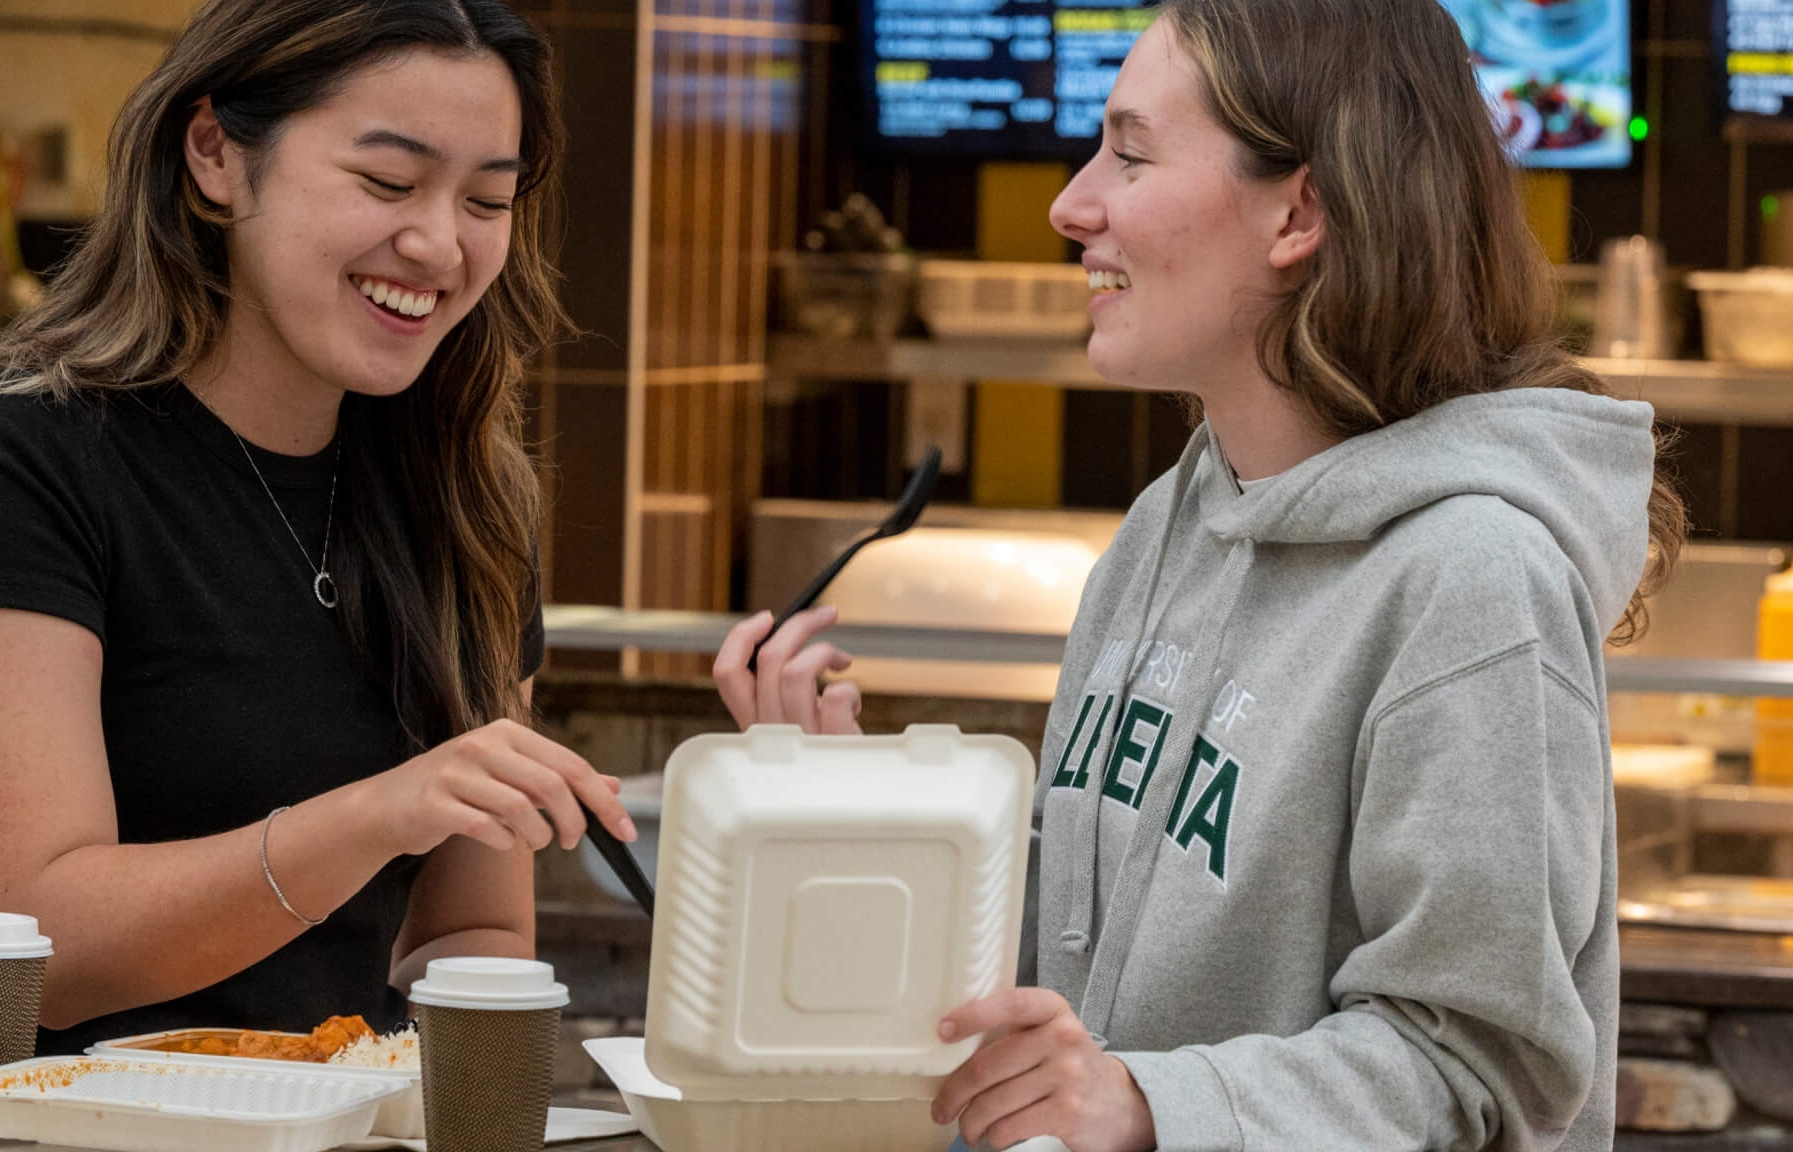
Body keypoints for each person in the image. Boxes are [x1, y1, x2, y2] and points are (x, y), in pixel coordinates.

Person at [715, 0, 1686, 1145]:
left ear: (1300, 212)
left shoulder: (1472, 579)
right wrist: (878, 830)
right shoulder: (1165, 521)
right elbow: (1084, 969)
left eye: (1128, 154)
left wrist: (1146, 1104)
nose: (1071, 205)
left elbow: (1481, 1070)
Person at [0, 0, 633, 1057]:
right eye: (385, 182)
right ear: (216, 154)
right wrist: (379, 813)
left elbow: (470, 927)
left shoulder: (467, 496)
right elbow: (44, 949)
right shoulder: (16, 455)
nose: (437, 243)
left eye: (486, 199)